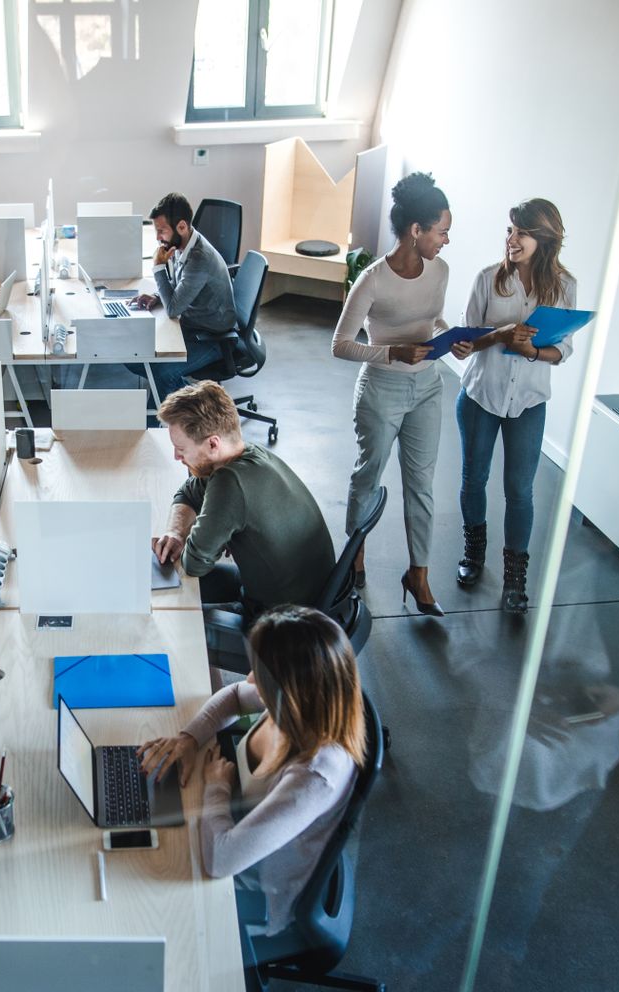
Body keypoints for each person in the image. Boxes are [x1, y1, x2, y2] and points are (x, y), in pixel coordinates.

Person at [138, 606, 368, 937]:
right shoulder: (300, 707)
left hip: (258, 891)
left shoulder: (314, 777)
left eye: (259, 672)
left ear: (289, 692)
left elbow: (221, 861)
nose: (248, 677)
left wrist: (216, 786)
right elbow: (232, 696)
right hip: (238, 826)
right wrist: (189, 739)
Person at [333, 172, 464, 617]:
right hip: (381, 389)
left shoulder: (440, 271)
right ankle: (356, 557)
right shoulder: (371, 281)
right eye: (442, 231)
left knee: (421, 486)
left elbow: (433, 317)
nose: (446, 240)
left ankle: (420, 575)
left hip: (429, 387)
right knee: (368, 475)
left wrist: (454, 336)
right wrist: (393, 353)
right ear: (416, 231)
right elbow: (341, 344)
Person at [453, 199, 579, 613]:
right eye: (509, 230)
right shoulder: (488, 279)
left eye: (521, 232)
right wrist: (500, 335)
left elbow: (563, 350)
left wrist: (530, 351)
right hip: (480, 396)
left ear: (544, 239)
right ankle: (474, 555)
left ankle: (514, 579)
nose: (511, 239)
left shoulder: (564, 287)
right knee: (474, 480)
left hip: (528, 402)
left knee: (519, 491)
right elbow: (467, 344)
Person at [153, 381, 333, 620]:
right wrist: (176, 531)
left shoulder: (229, 484)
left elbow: (194, 564)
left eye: (182, 449)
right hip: (308, 596)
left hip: (283, 623)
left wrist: (204, 532)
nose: (176, 456)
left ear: (213, 443)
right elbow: (188, 492)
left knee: (165, 613)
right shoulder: (249, 454)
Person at [127, 192, 237, 400]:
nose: (158, 238)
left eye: (161, 231)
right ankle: (188, 399)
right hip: (191, 325)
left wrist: (158, 268)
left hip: (211, 337)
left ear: (182, 227)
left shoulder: (199, 259)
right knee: (132, 355)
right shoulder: (182, 245)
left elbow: (174, 309)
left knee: (161, 373)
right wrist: (157, 295)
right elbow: (179, 285)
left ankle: (158, 423)